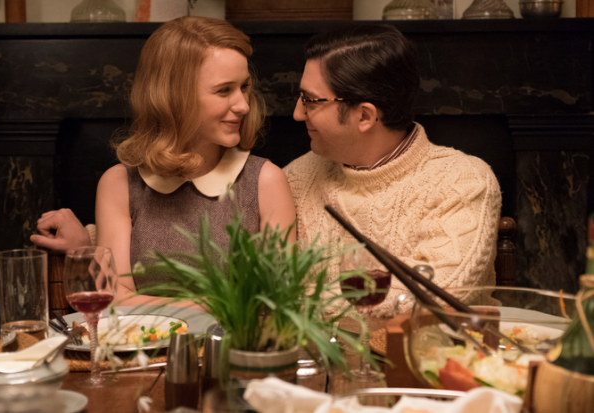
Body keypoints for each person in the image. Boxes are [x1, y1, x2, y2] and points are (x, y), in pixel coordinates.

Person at [31, 17, 296, 305]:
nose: (243, 104)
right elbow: (116, 298)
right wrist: (211, 306)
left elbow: (275, 302)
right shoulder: (119, 184)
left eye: (244, 87)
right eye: (224, 90)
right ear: (173, 97)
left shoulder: (265, 181)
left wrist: (162, 306)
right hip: (141, 336)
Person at [283, 24, 502, 317]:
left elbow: (439, 295)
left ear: (364, 116)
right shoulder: (297, 177)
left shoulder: (462, 181)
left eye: (310, 100)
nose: (297, 113)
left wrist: (306, 295)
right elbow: (266, 284)